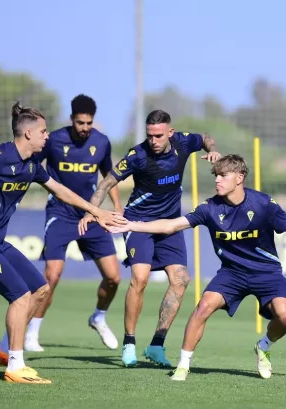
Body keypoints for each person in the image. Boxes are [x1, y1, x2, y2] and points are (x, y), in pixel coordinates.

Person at [108, 154, 286, 381]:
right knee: (203, 307)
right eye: (216, 176)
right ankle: (183, 366)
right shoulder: (209, 208)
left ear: (240, 177)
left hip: (266, 272)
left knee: (285, 316)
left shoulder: (263, 204)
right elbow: (172, 225)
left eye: (223, 175)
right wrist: (133, 224)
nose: (217, 180)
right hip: (231, 273)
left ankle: (263, 346)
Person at [0, 102, 126, 384]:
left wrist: (97, 211)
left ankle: (5, 350)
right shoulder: (0, 155)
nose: (48, 136)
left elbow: (61, 191)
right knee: (20, 296)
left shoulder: (31, 165)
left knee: (41, 289)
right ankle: (15, 366)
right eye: (43, 131)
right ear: (29, 134)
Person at [89, 109, 221, 367]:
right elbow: (106, 184)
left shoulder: (182, 142)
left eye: (159, 135)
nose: (154, 140)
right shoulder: (137, 155)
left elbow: (205, 138)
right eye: (150, 135)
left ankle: (156, 346)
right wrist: (91, 211)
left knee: (181, 279)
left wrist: (214, 150)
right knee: (140, 278)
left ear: (170, 133)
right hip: (138, 223)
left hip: (169, 225)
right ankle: (129, 344)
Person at [25, 94, 123, 352]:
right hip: (60, 213)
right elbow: (32, 164)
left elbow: (108, 176)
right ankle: (32, 333)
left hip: (91, 216)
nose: (85, 128)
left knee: (114, 277)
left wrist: (116, 206)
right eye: (80, 123)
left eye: (89, 123)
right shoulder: (54, 140)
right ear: (72, 119)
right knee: (52, 276)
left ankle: (98, 317)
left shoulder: (101, 143)